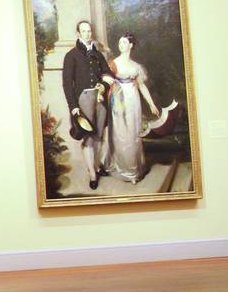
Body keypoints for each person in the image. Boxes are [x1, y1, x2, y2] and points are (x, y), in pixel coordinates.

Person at [62, 20, 113, 190]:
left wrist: (103, 86)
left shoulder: (98, 55)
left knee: (99, 135)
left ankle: (97, 165)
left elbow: (108, 74)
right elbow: (67, 84)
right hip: (83, 99)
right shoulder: (71, 55)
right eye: (83, 31)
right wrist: (73, 107)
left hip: (99, 99)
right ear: (78, 34)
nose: (87, 34)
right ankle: (92, 172)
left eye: (89, 31)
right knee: (88, 137)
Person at [103, 33, 160, 183]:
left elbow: (141, 86)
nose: (120, 45)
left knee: (133, 133)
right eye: (119, 43)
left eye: (124, 43)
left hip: (133, 101)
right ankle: (123, 169)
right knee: (121, 133)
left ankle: (133, 170)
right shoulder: (113, 63)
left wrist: (151, 103)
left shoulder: (136, 67)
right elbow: (105, 81)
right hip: (118, 101)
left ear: (131, 45)